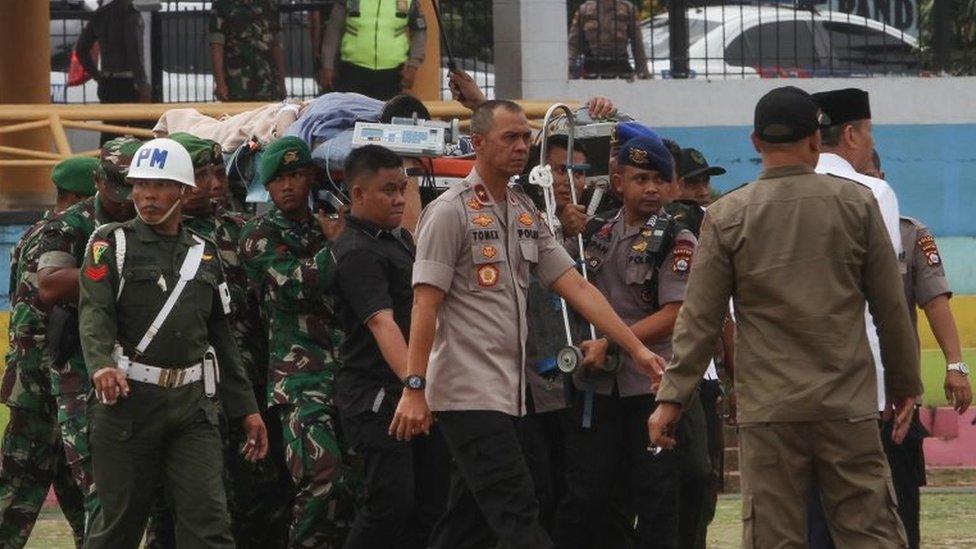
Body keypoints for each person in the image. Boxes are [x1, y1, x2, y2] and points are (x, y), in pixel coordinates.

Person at [649, 86, 922, 547]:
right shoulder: (857, 204)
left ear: (755, 142)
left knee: (775, 537)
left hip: (770, 411)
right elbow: (891, 307)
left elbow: (700, 321)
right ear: (816, 140)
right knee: (870, 531)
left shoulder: (726, 215)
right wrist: (904, 386)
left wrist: (671, 400)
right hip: (846, 406)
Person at [389, 100, 668, 549]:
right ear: (478, 144)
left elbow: (575, 285)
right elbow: (425, 305)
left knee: (469, 521)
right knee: (520, 509)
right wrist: (414, 387)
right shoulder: (448, 212)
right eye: (509, 138)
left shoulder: (522, 210)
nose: (521, 147)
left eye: (525, 137)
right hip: (466, 392)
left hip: (509, 392)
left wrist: (634, 348)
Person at [76, 138, 267, 548]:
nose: (148, 195)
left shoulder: (205, 254)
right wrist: (101, 366)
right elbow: (94, 315)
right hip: (128, 406)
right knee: (119, 528)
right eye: (141, 185)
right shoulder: (110, 244)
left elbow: (222, 339)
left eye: (161, 185)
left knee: (209, 525)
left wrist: (246, 409)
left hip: (192, 408)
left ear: (183, 190)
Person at [552, 136, 709, 549]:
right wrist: (562, 219)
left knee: (657, 499)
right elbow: (557, 277)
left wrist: (613, 342)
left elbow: (676, 314)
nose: (652, 188)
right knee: (590, 497)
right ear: (619, 182)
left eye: (660, 178)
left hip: (651, 389)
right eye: (641, 178)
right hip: (597, 389)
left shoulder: (678, 238)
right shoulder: (594, 234)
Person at [142, 133, 291, 549]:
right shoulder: (160, 239)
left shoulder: (242, 229)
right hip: (192, 395)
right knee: (183, 507)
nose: (214, 183)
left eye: (216, 172)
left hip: (249, 387)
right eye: (201, 174)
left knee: (261, 498)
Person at [331, 145, 449, 548]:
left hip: (414, 393)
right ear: (358, 194)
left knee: (431, 504)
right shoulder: (356, 251)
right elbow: (383, 323)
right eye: (388, 190)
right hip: (378, 397)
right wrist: (414, 386)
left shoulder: (395, 239)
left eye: (402, 188)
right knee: (390, 504)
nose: (399, 198)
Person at [238, 136, 353, 547]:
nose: (287, 186)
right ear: (266, 189)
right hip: (299, 382)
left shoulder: (331, 223)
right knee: (323, 478)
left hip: (352, 377)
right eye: (277, 179)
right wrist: (341, 243)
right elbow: (296, 283)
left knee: (357, 487)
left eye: (295, 175)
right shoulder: (259, 234)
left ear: (310, 177)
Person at [34, 137, 142, 533]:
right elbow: (49, 284)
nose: (127, 199)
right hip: (82, 369)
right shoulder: (70, 224)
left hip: (143, 366)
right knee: (99, 481)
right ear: (98, 180)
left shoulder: (152, 217)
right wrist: (124, 274)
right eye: (117, 189)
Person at [0, 157, 97, 548]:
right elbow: (35, 323)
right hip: (43, 391)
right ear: (73, 197)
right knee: (15, 501)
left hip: (48, 389)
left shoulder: (35, 232)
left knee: (85, 501)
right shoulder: (56, 237)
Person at [74, 0, 151, 145]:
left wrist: (97, 75)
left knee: (110, 137)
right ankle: (142, 166)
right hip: (130, 84)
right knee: (144, 136)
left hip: (108, 83)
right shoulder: (130, 13)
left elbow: (81, 49)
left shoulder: (101, 14)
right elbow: (133, 50)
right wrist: (142, 84)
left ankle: (106, 166)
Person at [320, 0, 427, 100]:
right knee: (353, 114)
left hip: (392, 75)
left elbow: (419, 32)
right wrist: (327, 65)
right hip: (352, 71)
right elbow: (333, 30)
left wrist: (413, 66)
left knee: (385, 116)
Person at [209, 0, 286, 102]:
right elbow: (217, 46)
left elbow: (276, 46)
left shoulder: (269, 4)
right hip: (236, 85)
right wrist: (220, 83)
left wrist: (282, 82)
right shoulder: (222, 4)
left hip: (268, 84)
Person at [568, 0, 650, 79]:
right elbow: (573, 44)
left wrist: (643, 73)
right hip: (592, 68)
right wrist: (568, 69)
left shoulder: (627, 9)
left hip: (621, 68)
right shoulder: (584, 11)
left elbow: (637, 43)